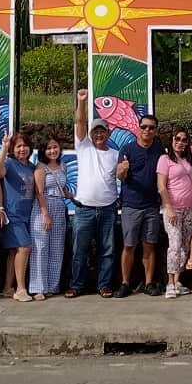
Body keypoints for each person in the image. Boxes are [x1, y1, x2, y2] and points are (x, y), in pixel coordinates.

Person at [69, 88, 122, 298]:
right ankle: (76, 285)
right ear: (90, 135)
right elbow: (80, 123)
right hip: (84, 210)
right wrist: (82, 101)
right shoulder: (83, 147)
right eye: (95, 132)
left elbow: (123, 177)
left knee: (107, 252)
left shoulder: (116, 154)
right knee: (79, 252)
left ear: (108, 133)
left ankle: (104, 285)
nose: (99, 134)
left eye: (102, 131)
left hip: (108, 210)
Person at [116, 113, 166, 297]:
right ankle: (125, 283)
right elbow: (119, 175)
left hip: (152, 206)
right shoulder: (127, 149)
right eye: (144, 126)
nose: (147, 130)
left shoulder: (159, 150)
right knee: (129, 246)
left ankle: (149, 282)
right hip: (131, 205)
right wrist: (123, 169)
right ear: (138, 128)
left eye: (151, 127)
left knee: (149, 245)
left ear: (156, 130)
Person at [157, 123, 192, 298]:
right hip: (172, 209)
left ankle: (178, 280)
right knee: (174, 245)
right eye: (177, 139)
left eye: (184, 140)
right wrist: (169, 208)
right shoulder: (165, 160)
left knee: (184, 247)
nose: (180, 142)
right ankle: (170, 283)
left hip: (188, 209)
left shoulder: (188, 158)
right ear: (171, 140)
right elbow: (161, 186)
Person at [0, 133, 38, 302]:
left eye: (25, 146)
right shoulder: (8, 162)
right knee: (24, 248)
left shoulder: (31, 166)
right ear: (12, 150)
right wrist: (4, 148)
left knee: (14, 252)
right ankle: (21, 289)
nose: (22, 149)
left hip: (28, 215)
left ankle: (8, 287)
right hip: (12, 215)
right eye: (18, 146)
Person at [31, 137, 69, 301]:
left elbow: (63, 190)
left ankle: (52, 286)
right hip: (42, 209)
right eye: (48, 148)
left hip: (59, 207)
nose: (52, 151)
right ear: (43, 151)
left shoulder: (63, 166)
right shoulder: (40, 167)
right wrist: (45, 214)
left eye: (55, 147)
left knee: (56, 248)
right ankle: (39, 287)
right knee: (40, 248)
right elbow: (39, 192)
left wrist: (77, 197)